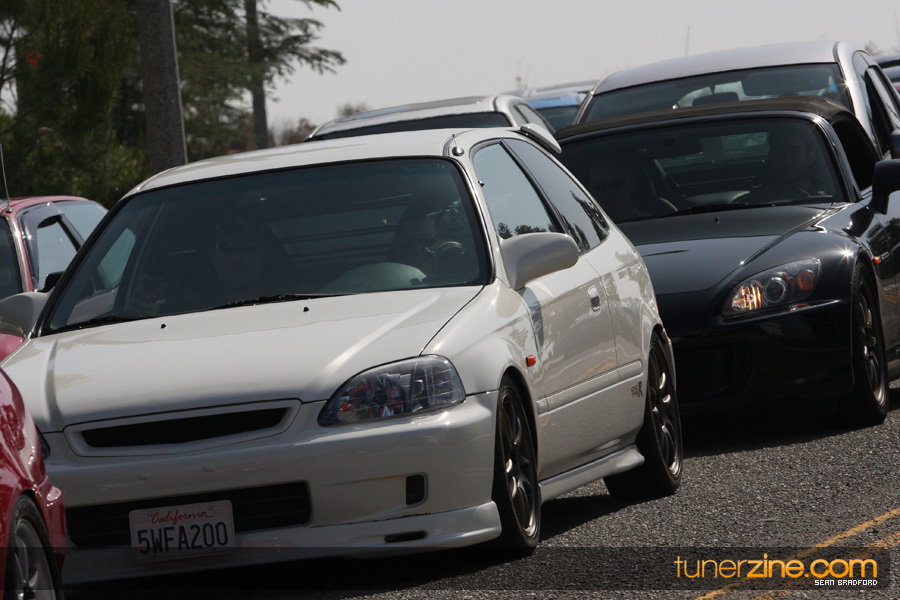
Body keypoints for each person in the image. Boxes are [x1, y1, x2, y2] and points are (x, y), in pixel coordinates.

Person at [588, 152, 676, 222]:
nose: (608, 193)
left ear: (631, 183)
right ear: (590, 189)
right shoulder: (585, 229)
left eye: (616, 185)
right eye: (599, 187)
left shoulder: (655, 225)